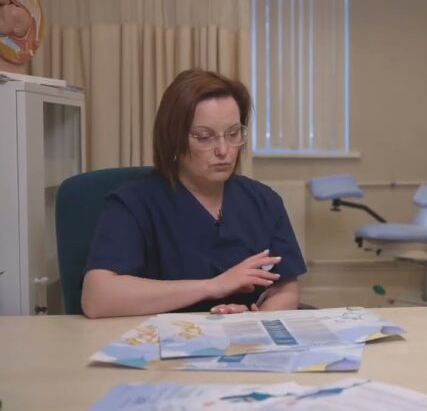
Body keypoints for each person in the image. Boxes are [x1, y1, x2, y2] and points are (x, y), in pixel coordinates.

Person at [81, 69, 306, 318]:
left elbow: (286, 289)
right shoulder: (134, 203)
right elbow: (97, 298)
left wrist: (254, 321)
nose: (224, 150)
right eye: (204, 137)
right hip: (163, 337)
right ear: (173, 139)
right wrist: (213, 286)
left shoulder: (263, 201)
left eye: (233, 134)